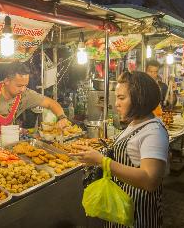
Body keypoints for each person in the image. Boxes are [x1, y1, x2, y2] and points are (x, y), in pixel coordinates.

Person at [72, 72, 169, 228]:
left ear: (139, 99)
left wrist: (102, 161)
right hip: (122, 209)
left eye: (121, 98)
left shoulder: (153, 132)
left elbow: (150, 180)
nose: (116, 103)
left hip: (138, 215)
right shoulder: (136, 123)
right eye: (116, 97)